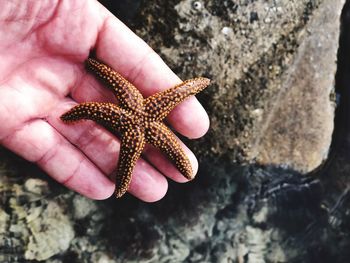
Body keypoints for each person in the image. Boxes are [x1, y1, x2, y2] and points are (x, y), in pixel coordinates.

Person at [0, 0, 209, 202]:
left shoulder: (137, 124)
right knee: (108, 102)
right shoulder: (143, 119)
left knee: (110, 108)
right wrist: (193, 86)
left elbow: (173, 94)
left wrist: (193, 86)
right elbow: (109, 100)